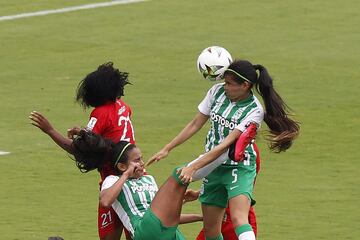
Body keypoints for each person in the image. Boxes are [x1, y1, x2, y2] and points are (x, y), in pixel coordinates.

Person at [147, 59, 300, 240]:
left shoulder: (254, 111)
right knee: (211, 231)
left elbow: (226, 145)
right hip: (213, 166)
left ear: (245, 85)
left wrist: (194, 167)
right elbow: (195, 123)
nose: (224, 86)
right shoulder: (216, 92)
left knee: (239, 218)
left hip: (238, 167)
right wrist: (167, 148)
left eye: (229, 83)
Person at [30, 62, 134, 240]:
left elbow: (78, 150)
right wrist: (84, 132)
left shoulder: (100, 113)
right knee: (136, 233)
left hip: (114, 181)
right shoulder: (123, 106)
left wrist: (50, 130)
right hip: (137, 178)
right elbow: (111, 135)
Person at [71, 129, 203, 240]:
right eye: (137, 160)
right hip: (143, 231)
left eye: (141, 158)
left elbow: (161, 219)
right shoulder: (112, 180)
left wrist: (199, 215)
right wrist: (126, 175)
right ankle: (214, 156)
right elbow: (105, 201)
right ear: (122, 166)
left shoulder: (149, 179)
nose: (142, 163)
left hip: (164, 232)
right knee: (180, 172)